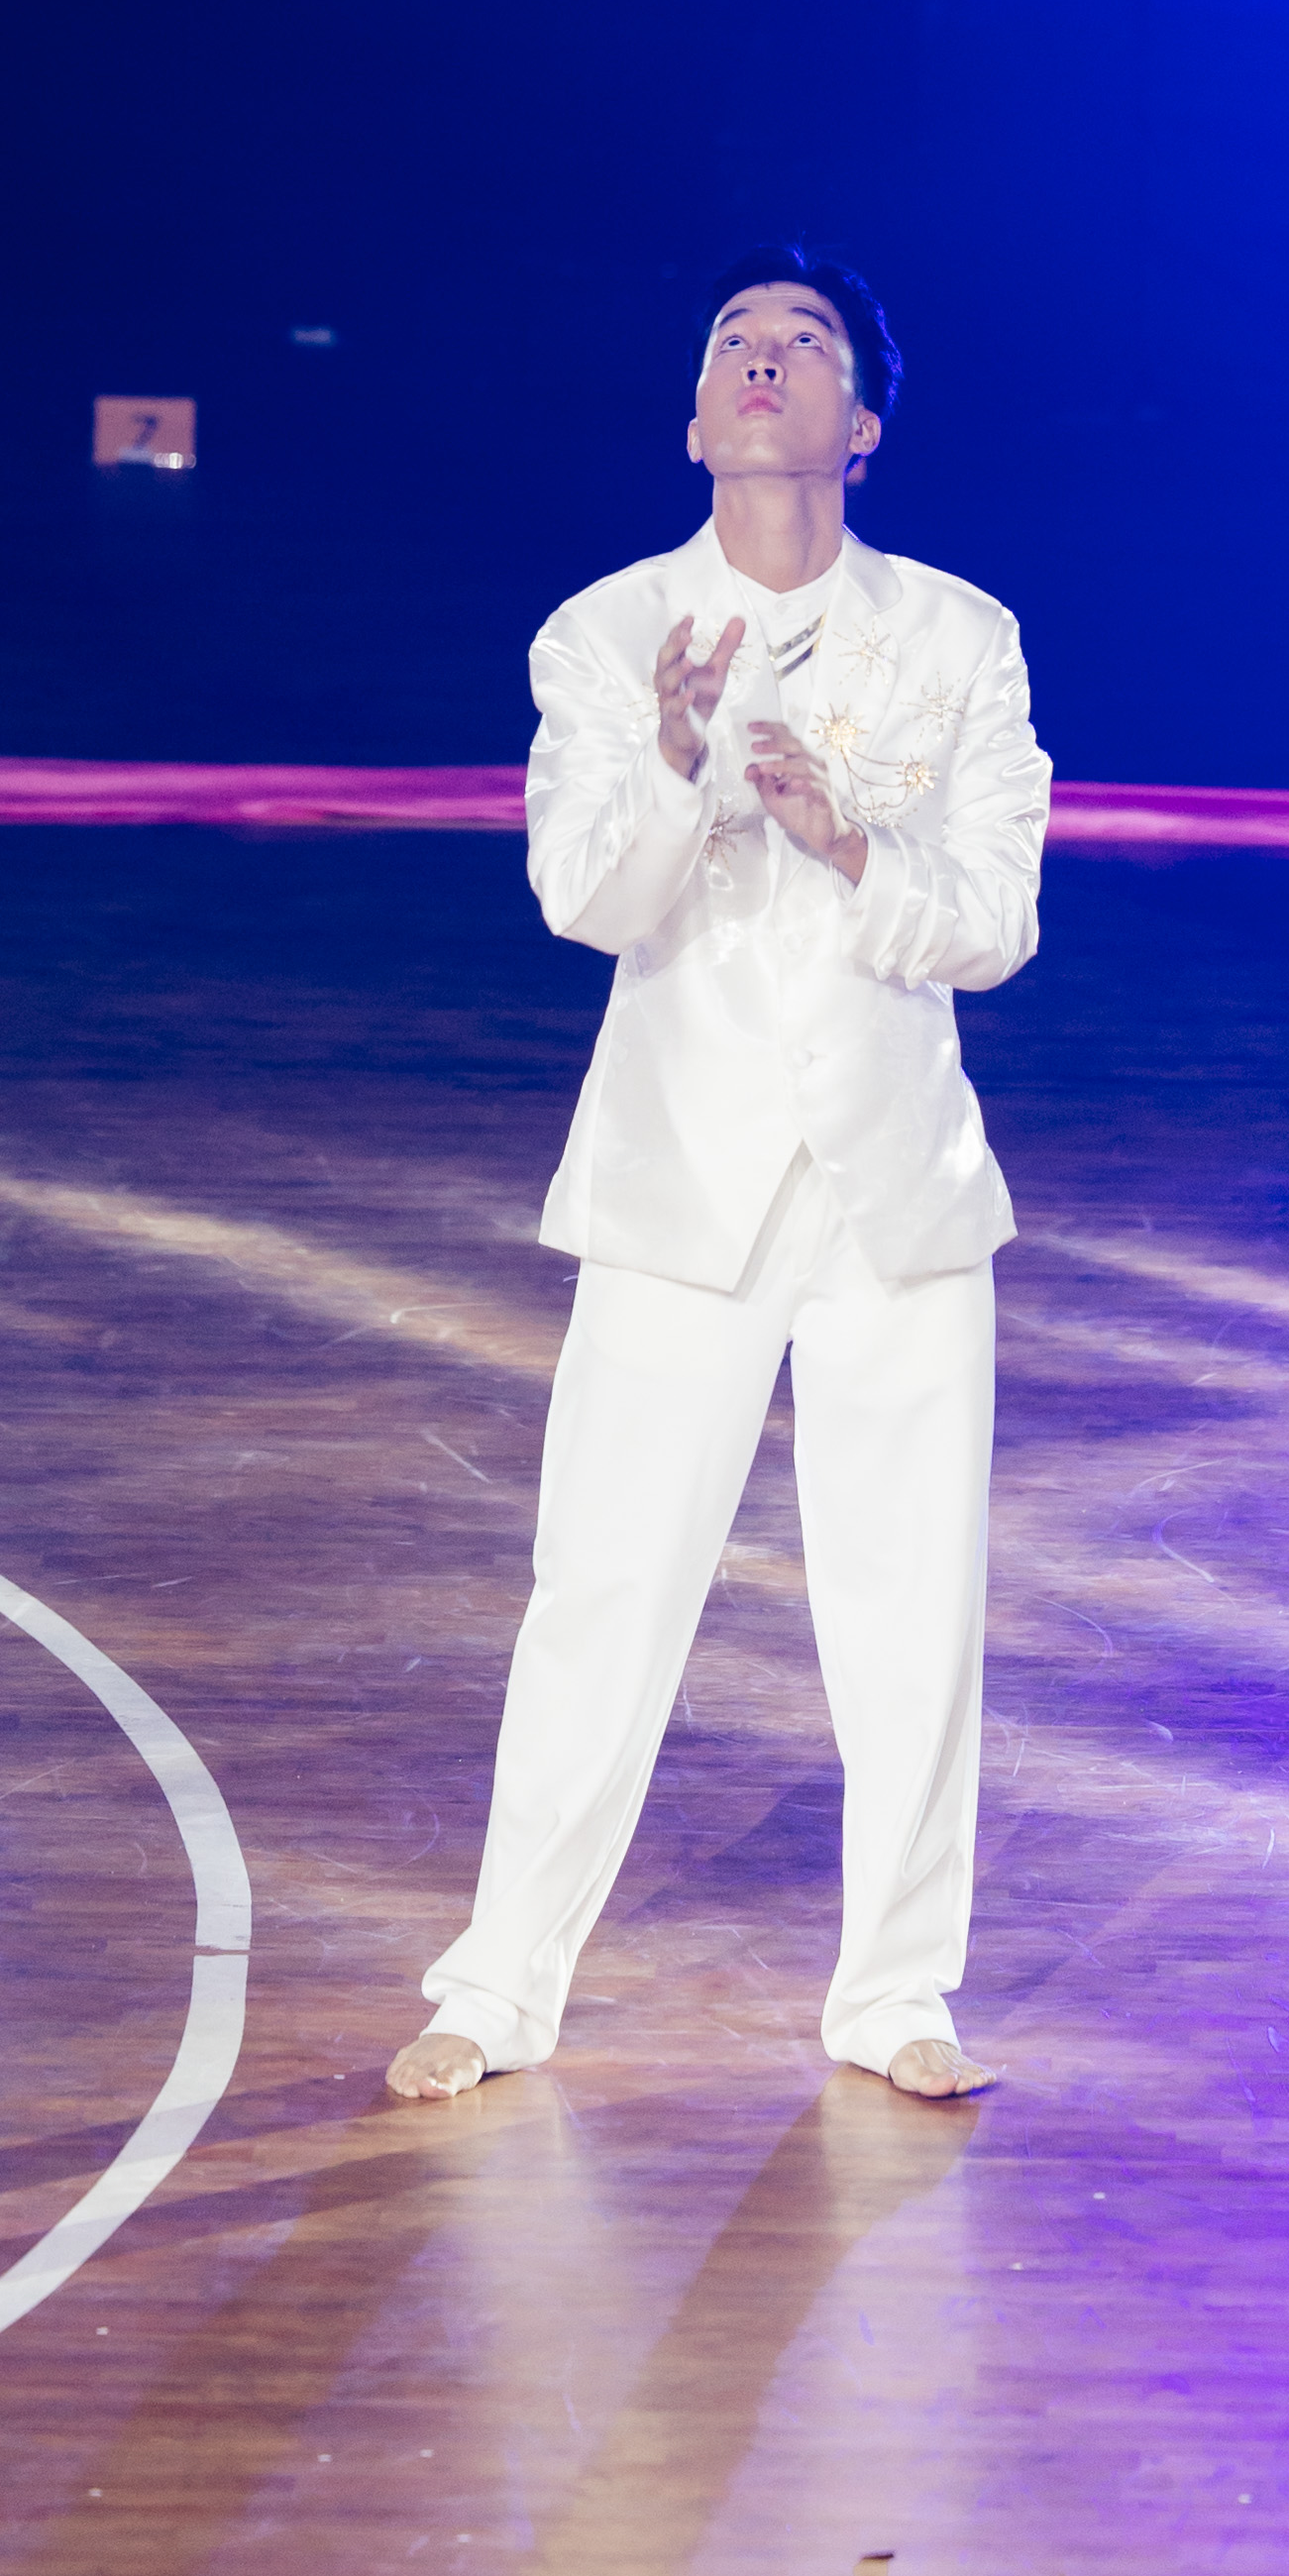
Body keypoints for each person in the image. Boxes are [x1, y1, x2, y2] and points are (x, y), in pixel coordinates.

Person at [388, 245, 1050, 2109]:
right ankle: (500, 1983)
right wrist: (681, 767)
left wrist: (851, 844)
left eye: (804, 342)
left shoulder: (961, 636)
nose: (765, 360)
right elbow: (582, 899)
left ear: (862, 422)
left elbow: (996, 920)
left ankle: (896, 1991)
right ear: (694, 420)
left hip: (894, 1190)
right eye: (733, 343)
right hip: (682, 1183)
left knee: (912, 1609)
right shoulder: (606, 633)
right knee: (603, 1590)